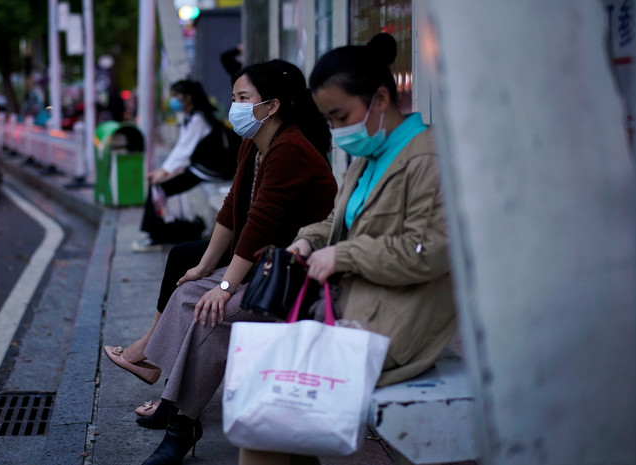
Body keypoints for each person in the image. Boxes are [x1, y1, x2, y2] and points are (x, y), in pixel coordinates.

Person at [235, 33, 458, 465]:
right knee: (271, 414)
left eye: (340, 117)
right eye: (329, 120)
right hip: (352, 310)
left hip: (392, 325)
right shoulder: (372, 155)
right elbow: (340, 223)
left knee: (269, 416)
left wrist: (343, 256)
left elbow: (429, 251)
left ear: (379, 99)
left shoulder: (425, 158)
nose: (337, 132)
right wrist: (310, 239)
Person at [112, 59, 337, 465]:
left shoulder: (291, 149)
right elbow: (234, 206)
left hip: (301, 280)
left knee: (210, 313)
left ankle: (180, 426)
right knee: (188, 295)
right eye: (233, 97)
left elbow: (260, 223)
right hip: (270, 269)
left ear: (272, 106)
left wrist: (225, 285)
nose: (234, 106)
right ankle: (177, 412)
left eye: (243, 98)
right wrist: (204, 270)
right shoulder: (256, 144)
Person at [131, 79, 238, 252]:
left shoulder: (198, 119)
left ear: (188, 98)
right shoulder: (193, 117)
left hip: (208, 171)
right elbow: (181, 147)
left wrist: (164, 171)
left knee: (160, 188)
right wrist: (163, 170)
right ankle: (157, 235)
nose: (173, 99)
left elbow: (184, 149)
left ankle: (155, 238)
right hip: (202, 169)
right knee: (159, 187)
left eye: (176, 96)